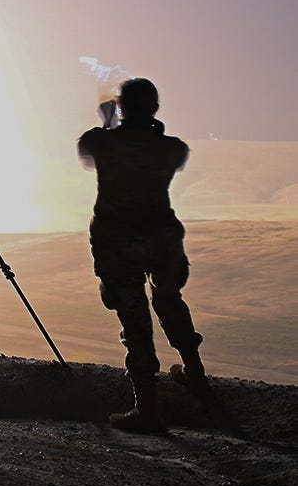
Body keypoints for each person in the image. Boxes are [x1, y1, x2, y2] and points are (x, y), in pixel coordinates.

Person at [78, 77, 213, 433]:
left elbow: (87, 153)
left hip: (118, 242)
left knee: (134, 319)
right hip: (162, 239)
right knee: (169, 301)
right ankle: (196, 375)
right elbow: (164, 151)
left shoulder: (102, 142)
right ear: (154, 108)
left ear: (122, 107)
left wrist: (109, 121)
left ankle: (148, 410)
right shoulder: (173, 149)